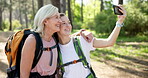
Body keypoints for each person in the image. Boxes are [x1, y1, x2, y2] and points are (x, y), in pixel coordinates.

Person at [57, 5, 126, 78]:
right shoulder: (54, 48)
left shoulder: (82, 41)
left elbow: (109, 42)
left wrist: (120, 21)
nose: (68, 26)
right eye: (64, 23)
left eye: (69, 22)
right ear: (57, 26)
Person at [20, 4, 61, 78]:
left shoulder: (54, 38)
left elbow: (68, 38)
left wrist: (82, 32)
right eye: (56, 17)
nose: (60, 21)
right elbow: (24, 75)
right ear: (45, 21)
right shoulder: (32, 40)